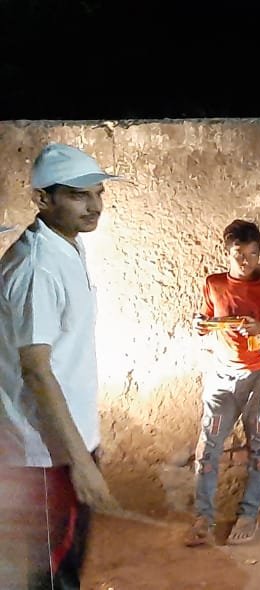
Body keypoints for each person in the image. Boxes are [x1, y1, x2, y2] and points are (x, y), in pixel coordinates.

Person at [0, 143, 122, 588]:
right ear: (42, 198)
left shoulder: (66, 246)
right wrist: (80, 462)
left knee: (62, 567)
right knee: (50, 576)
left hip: (62, 450)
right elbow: (36, 369)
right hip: (45, 457)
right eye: (77, 195)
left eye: (97, 193)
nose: (94, 206)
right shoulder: (37, 266)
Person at [186, 220, 260, 547]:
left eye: (253, 254)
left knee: (259, 444)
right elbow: (206, 318)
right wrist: (201, 325)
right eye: (239, 254)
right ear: (227, 252)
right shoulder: (214, 283)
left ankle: (249, 513)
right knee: (209, 445)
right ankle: (203, 516)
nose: (246, 261)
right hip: (223, 374)